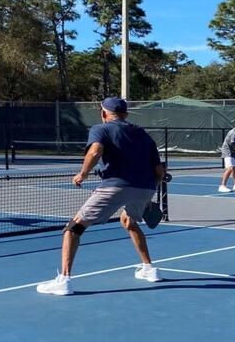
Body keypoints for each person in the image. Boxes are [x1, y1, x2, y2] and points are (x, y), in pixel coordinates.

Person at [37, 97, 165, 296]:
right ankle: (149, 269)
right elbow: (159, 172)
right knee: (129, 221)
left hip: (116, 186)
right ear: (126, 114)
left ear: (104, 113)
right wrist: (149, 194)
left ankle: (63, 280)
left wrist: (83, 174)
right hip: (145, 188)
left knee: (74, 228)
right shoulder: (143, 135)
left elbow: (95, 151)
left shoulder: (100, 129)